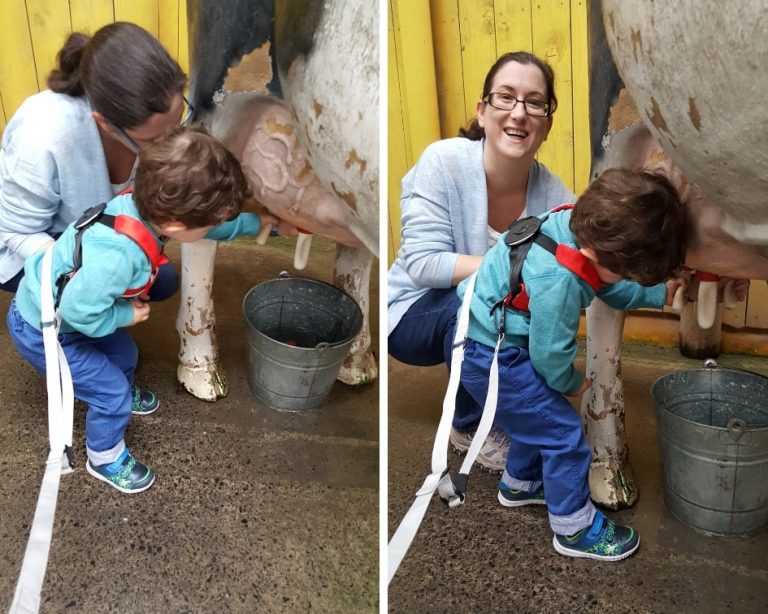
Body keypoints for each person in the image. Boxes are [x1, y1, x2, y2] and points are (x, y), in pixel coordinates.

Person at [6, 125, 281, 494]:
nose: (215, 228)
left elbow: (209, 229)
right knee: (110, 394)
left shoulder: (149, 203)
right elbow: (77, 311)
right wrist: (125, 316)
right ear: (174, 226)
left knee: (125, 353)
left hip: (71, 308)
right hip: (45, 329)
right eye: (212, 222)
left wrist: (261, 223)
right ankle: (104, 457)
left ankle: (119, 389)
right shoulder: (120, 256)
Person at [456, 167, 688, 560]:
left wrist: (659, 293)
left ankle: (520, 484)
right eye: (627, 272)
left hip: (484, 336)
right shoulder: (559, 279)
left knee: (534, 417)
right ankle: (574, 528)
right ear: (598, 255)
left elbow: (607, 284)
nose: (626, 279)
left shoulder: (571, 225)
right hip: (491, 354)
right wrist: (569, 381)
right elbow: (549, 353)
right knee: (563, 434)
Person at [388, 51, 575, 471]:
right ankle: (468, 423)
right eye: (505, 97)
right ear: (483, 109)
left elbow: (583, 258)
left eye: (534, 102)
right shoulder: (444, 162)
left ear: (546, 123)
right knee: (477, 302)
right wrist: (508, 270)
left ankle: (510, 413)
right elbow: (422, 264)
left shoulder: (554, 194)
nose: (519, 113)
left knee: (526, 312)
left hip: (481, 310)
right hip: (412, 313)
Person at [0, 21, 188, 298]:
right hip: (27, 244)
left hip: (94, 231)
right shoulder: (42, 134)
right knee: (109, 304)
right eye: (153, 139)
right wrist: (92, 275)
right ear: (105, 123)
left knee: (163, 282)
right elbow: (17, 234)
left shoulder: (143, 122)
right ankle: (40, 314)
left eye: (178, 122)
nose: (171, 144)